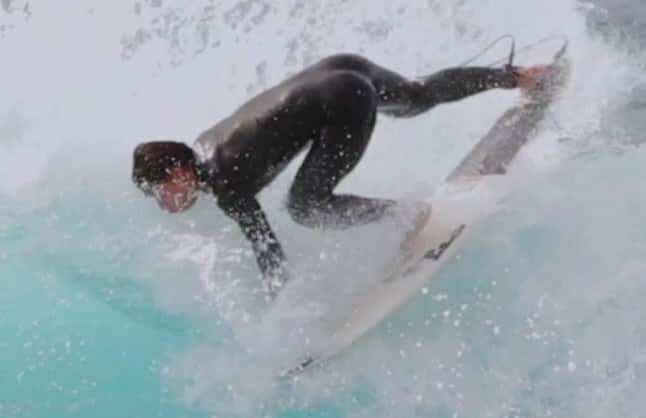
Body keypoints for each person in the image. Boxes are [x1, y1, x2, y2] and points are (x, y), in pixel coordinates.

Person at [132, 52, 548, 294]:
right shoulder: (205, 144)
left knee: (305, 206)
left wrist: (281, 321)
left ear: (177, 172)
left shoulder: (226, 184)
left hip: (342, 102)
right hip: (338, 68)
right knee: (417, 97)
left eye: (158, 191)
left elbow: (268, 251)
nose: (162, 203)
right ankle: (516, 76)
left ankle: (411, 216)